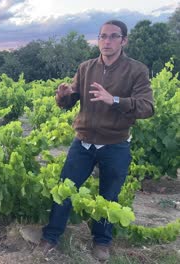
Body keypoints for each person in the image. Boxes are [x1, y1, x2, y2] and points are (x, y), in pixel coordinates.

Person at [36, 20, 154, 261]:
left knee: (108, 196)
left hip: (116, 144)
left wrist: (116, 101)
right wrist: (62, 96)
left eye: (113, 36)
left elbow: (147, 107)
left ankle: (101, 243)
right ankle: (51, 237)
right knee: (65, 190)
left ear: (124, 40)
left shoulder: (137, 70)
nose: (107, 41)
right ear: (98, 39)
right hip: (83, 142)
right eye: (102, 36)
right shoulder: (86, 67)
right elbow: (70, 101)